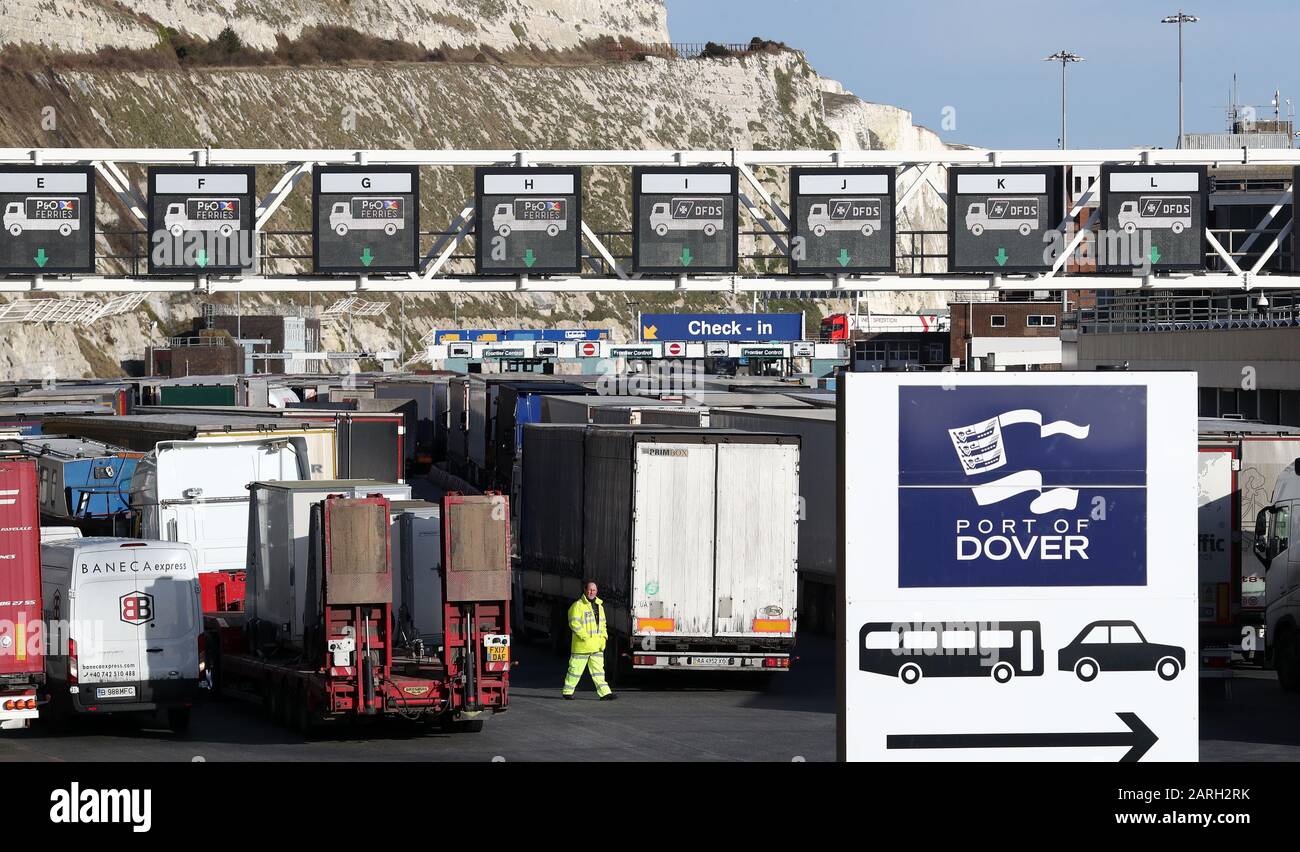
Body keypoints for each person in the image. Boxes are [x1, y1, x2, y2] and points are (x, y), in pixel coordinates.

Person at [563, 579, 617, 700]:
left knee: (599, 672)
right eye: (590, 590)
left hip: (597, 646)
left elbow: (603, 625)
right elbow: (574, 624)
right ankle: (567, 691)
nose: (592, 592)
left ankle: (605, 693)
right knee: (575, 671)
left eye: (594, 590)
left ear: (596, 591)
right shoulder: (577, 606)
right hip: (582, 646)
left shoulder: (600, 606)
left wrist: (603, 638)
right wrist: (586, 637)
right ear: (585, 590)